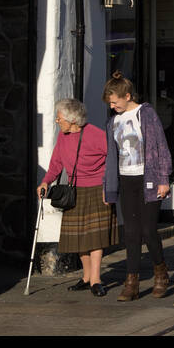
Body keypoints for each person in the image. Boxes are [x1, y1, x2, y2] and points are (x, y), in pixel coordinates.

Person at [103, 72, 173, 301]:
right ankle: (131, 282)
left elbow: (160, 145)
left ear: (127, 95)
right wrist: (109, 187)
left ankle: (161, 273)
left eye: (115, 102)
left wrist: (164, 178)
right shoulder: (113, 121)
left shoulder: (146, 113)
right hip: (126, 180)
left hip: (148, 178)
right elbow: (111, 157)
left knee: (148, 231)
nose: (112, 106)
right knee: (131, 233)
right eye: (110, 103)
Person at [37, 98, 116, 298]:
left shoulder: (96, 135)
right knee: (79, 237)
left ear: (73, 120)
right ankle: (87, 277)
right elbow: (56, 162)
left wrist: (110, 187)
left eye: (59, 118)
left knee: (95, 238)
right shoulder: (63, 137)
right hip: (75, 191)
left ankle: (97, 279)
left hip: (97, 189)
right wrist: (46, 181)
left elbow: (114, 158)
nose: (57, 121)